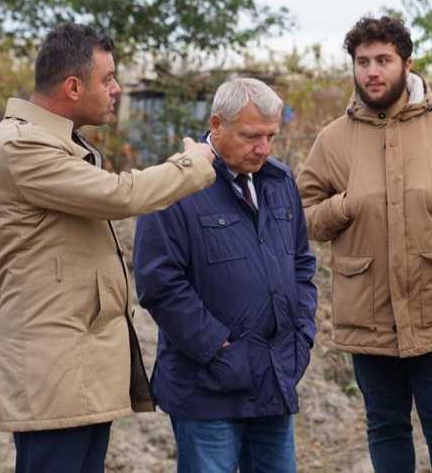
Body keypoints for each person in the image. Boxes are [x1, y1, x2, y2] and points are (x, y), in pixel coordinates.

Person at [0, 22, 216, 473]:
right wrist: (193, 164)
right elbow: (120, 195)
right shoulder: (23, 144)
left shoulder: (52, 142)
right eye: (107, 79)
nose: (117, 89)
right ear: (72, 86)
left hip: (74, 366)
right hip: (55, 369)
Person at [297, 15, 432, 473]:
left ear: (406, 64)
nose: (372, 71)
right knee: (386, 426)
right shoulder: (333, 140)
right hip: (367, 314)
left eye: (383, 60)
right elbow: (303, 214)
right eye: (363, 61)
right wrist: (343, 207)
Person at [133, 78, 317, 473]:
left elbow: (302, 264)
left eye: (271, 136)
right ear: (216, 124)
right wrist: (219, 349)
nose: (264, 148)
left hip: (273, 380)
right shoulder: (175, 185)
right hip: (206, 389)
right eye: (252, 136)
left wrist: (301, 335)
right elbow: (158, 283)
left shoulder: (280, 182)